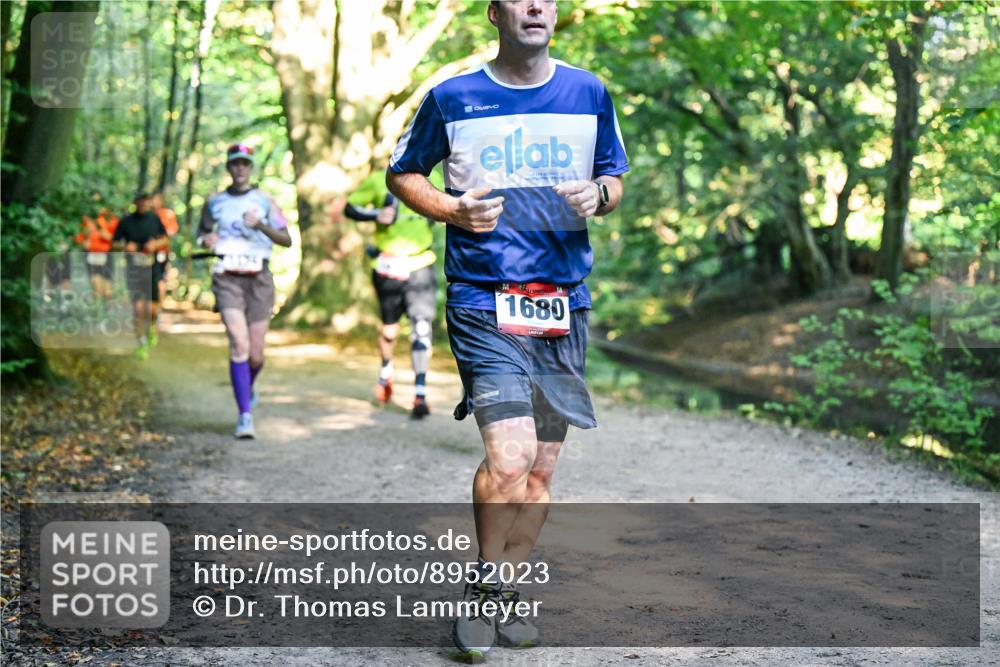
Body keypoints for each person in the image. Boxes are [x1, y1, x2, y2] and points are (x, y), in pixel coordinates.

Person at [386, 0, 627, 656]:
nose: (535, 6)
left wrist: (599, 196)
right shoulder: (453, 97)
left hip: (563, 302)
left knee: (542, 468)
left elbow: (614, 177)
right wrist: (451, 210)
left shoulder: (588, 91)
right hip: (484, 298)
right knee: (512, 454)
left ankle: (508, 586)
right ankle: (486, 592)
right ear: (495, 13)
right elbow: (403, 172)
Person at [196, 143, 292, 439]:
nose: (240, 169)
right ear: (229, 167)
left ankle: (247, 386)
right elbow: (201, 235)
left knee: (256, 355)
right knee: (239, 344)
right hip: (227, 278)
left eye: (245, 164)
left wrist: (261, 224)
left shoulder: (265, 200)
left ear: (251, 168)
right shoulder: (215, 202)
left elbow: (286, 240)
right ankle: (244, 416)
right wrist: (205, 241)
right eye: (235, 164)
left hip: (259, 279)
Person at [343, 191, 437, 419]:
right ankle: (386, 373)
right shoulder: (379, 179)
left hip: (421, 266)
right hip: (387, 268)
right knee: (389, 332)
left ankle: (420, 395)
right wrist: (376, 214)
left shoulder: (432, 176)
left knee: (422, 329)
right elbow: (350, 208)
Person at [113, 192, 169, 360]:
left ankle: (152, 327)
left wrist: (155, 244)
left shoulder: (155, 219)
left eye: (147, 201)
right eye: (141, 201)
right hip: (133, 269)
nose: (144, 204)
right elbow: (114, 243)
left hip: (151, 267)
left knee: (151, 309)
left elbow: (165, 240)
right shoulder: (125, 221)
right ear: (135, 202)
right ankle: (142, 343)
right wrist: (125, 247)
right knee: (138, 309)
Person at [76, 194, 120, 300]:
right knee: (96, 287)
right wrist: (83, 243)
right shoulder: (85, 220)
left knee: (108, 290)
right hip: (91, 255)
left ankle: (107, 309)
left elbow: (117, 239)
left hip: (106, 254)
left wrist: (107, 236)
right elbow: (79, 237)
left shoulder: (111, 219)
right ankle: (98, 310)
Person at [150, 191, 180, 344]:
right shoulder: (146, 216)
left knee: (159, 282)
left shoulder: (167, 215)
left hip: (160, 254)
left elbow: (170, 233)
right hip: (144, 255)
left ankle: (158, 311)